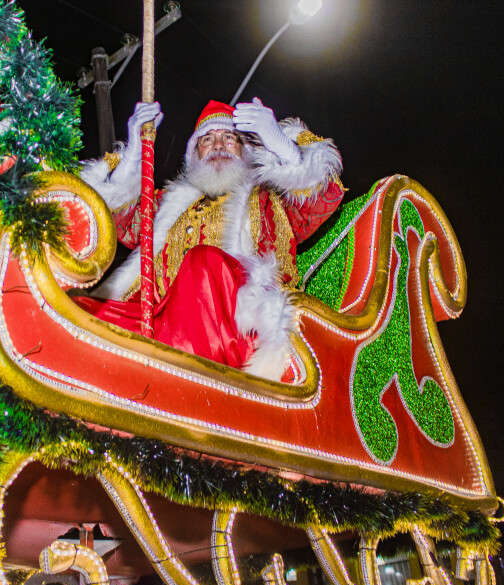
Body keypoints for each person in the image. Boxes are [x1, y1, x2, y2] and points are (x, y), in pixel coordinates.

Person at [77, 98, 343, 379]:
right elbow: (110, 216)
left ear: (246, 150)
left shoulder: (269, 197)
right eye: (207, 139)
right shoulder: (166, 205)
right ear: (194, 155)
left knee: (203, 263)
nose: (217, 145)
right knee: (83, 312)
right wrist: (133, 152)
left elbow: (324, 195)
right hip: (159, 322)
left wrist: (280, 144)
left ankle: (175, 372)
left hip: (240, 327)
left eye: (229, 138)